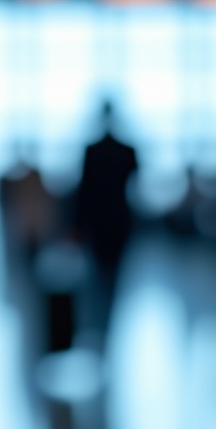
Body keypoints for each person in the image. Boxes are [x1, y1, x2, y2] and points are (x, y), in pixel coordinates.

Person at [73, 101, 139, 340]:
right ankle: (104, 324)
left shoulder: (93, 150)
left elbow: (83, 192)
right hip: (117, 222)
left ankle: (98, 326)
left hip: (100, 224)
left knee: (98, 276)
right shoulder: (126, 150)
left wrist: (78, 226)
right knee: (110, 275)